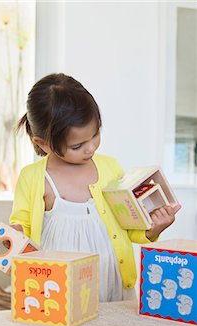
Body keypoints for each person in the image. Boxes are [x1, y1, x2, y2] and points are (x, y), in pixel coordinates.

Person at [9, 73, 177, 302]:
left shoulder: (110, 168)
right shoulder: (33, 177)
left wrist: (153, 229)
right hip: (59, 289)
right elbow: (21, 226)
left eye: (96, 134)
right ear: (44, 143)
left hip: (111, 284)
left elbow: (129, 225)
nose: (91, 148)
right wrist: (14, 236)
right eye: (77, 145)